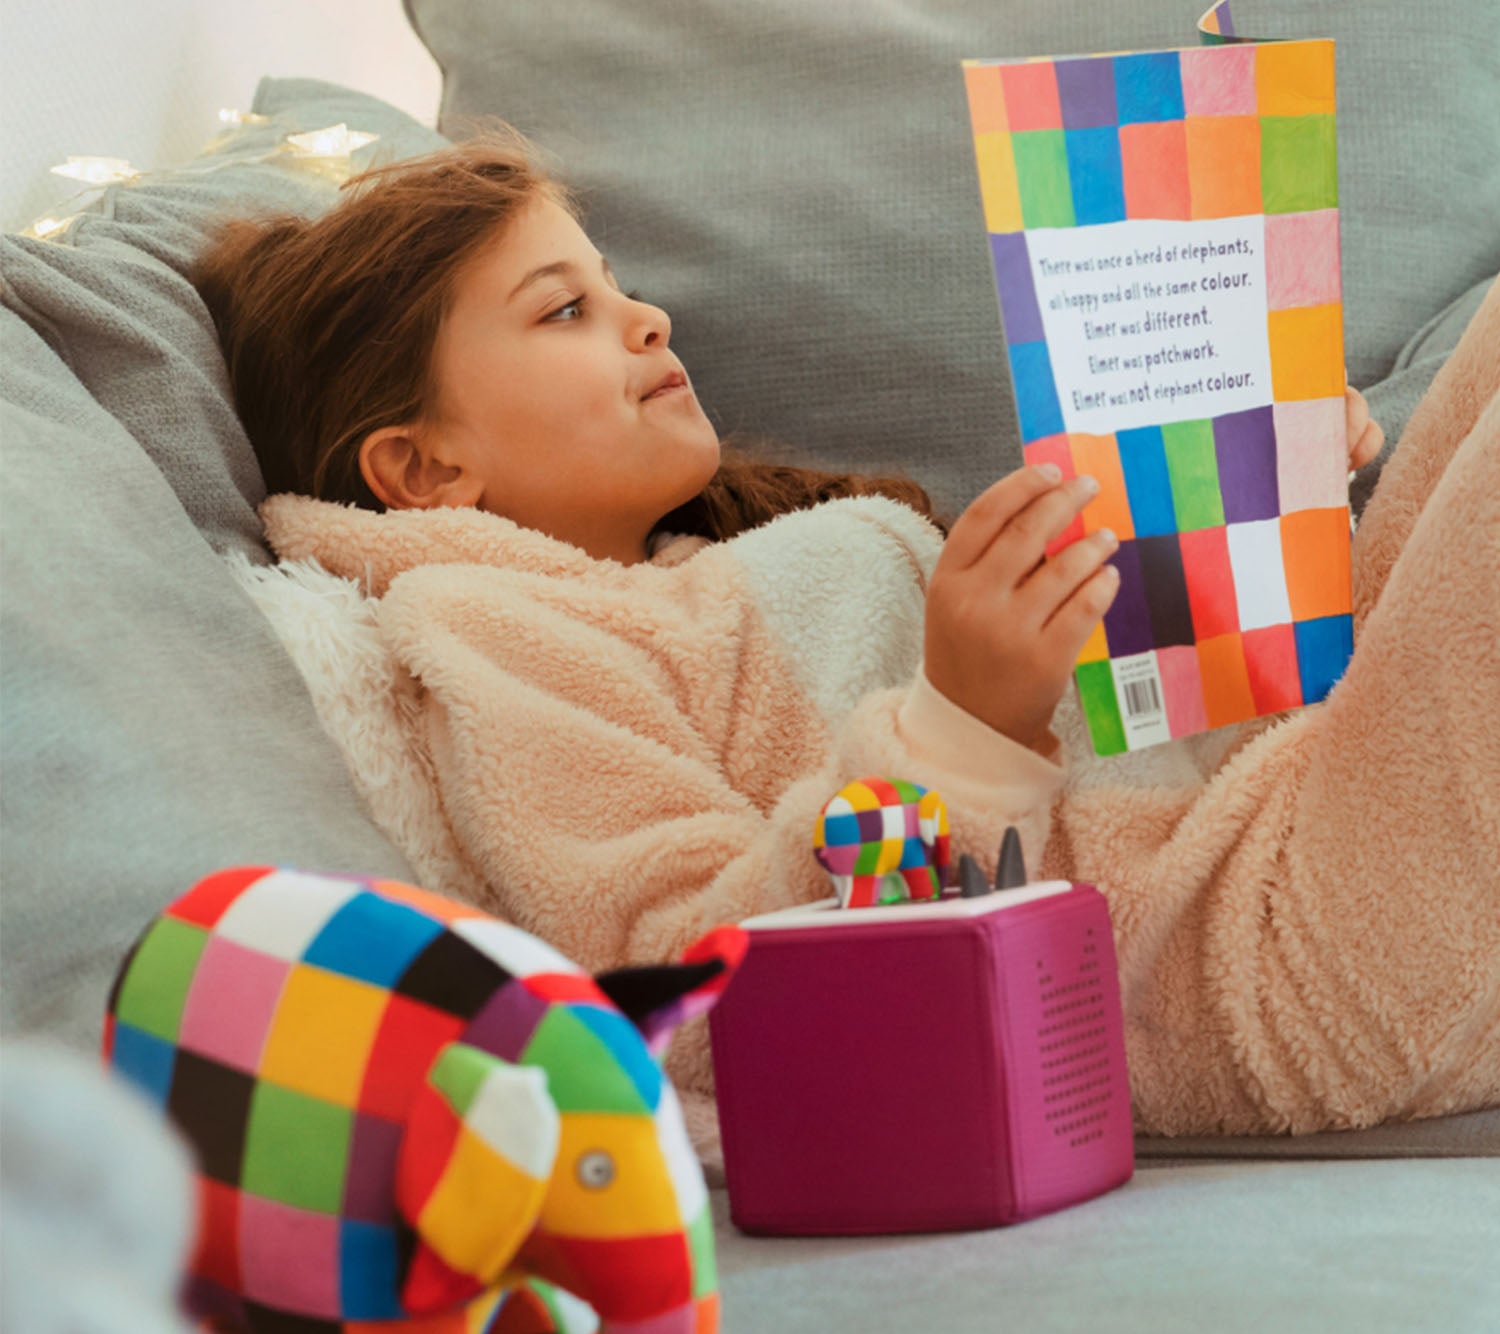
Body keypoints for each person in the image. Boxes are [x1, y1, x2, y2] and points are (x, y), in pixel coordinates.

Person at [195, 127, 1499, 1137]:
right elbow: (702, 1006)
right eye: (564, 311)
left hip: (1272, 814)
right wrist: (961, 730)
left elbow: (1125, 735)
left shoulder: (733, 567)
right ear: (423, 474)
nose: (646, 319)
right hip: (1219, 975)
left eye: (618, 286)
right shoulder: (492, 630)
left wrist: (1256, 507)